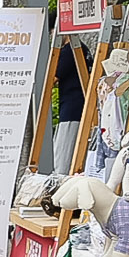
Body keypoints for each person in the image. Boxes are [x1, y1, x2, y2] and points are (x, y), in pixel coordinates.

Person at [49, 42, 84, 175]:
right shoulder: (81, 48)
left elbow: (51, 79)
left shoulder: (68, 51)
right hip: (81, 108)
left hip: (71, 109)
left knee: (62, 157)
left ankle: (58, 186)